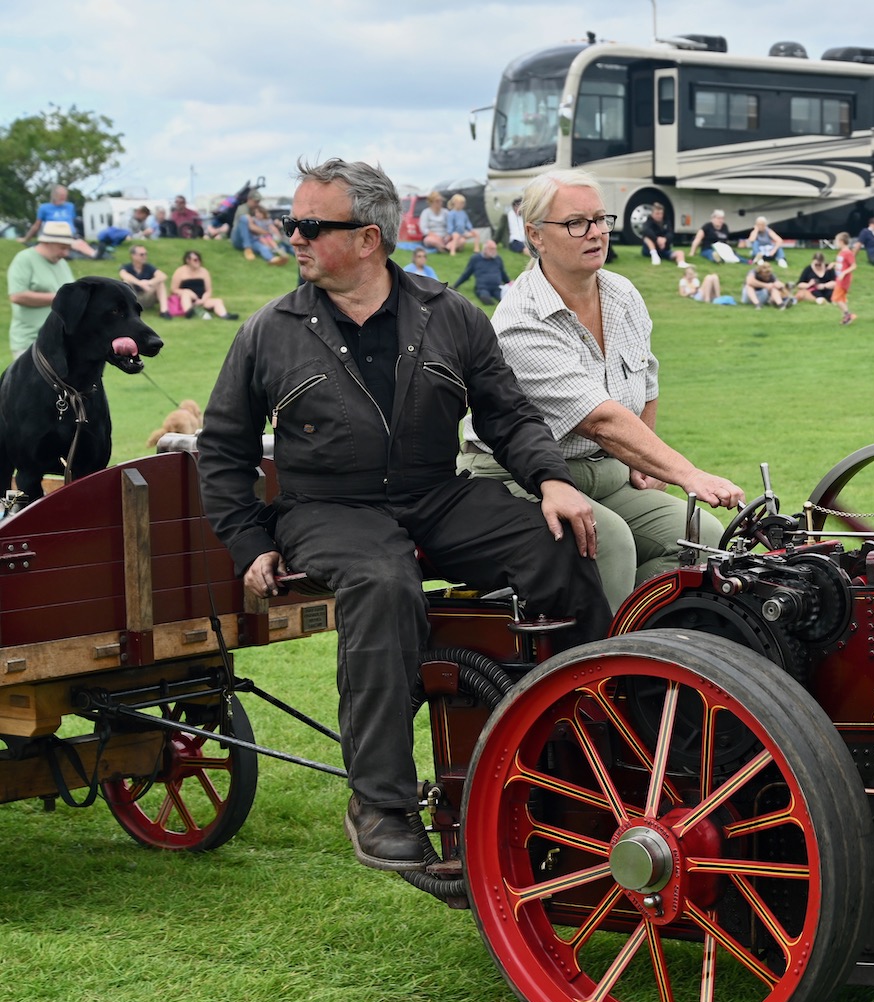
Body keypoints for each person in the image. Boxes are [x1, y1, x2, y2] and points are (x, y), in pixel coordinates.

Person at [199, 157, 609, 873]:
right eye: (291, 223)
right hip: (327, 509)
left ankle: (590, 757)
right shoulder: (270, 330)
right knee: (383, 582)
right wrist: (248, 543)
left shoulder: (450, 314)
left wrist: (551, 480)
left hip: (435, 494)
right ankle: (380, 803)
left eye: (309, 226)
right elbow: (223, 449)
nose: (293, 237)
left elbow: (508, 415)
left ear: (368, 238)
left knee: (556, 547)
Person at [483, 168, 743, 609]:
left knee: (702, 537)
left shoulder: (622, 294)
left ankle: (650, 638)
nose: (596, 233)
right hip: (524, 477)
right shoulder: (521, 319)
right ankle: (601, 650)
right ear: (535, 235)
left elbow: (647, 380)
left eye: (601, 219)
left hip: (605, 473)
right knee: (612, 543)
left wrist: (647, 464)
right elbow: (600, 421)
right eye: (575, 223)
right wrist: (688, 475)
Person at [6, 219, 76, 358]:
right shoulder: (24, 259)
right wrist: (61, 298)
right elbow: (17, 296)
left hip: (62, 342)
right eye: (62, 247)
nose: (66, 253)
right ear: (46, 242)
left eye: (68, 248)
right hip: (31, 343)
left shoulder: (62, 263)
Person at [29, 185, 98, 259]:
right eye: (61, 195)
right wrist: (26, 238)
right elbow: (37, 225)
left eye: (65, 195)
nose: (63, 198)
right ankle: (94, 254)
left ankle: (93, 253)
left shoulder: (70, 206)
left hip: (70, 234)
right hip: (54, 234)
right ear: (54, 195)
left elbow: (73, 221)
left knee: (79, 242)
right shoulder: (44, 208)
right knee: (77, 243)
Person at [169, 249, 238, 319]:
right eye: (195, 260)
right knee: (186, 293)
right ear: (188, 260)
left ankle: (225, 315)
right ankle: (188, 312)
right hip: (185, 298)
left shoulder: (204, 272)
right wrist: (188, 292)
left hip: (201, 298)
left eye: (199, 260)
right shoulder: (180, 271)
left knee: (218, 301)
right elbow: (174, 289)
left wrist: (202, 300)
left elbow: (209, 290)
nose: (198, 262)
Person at [449, 238, 512, 304]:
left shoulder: (498, 259)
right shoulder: (475, 259)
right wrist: (455, 285)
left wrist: (509, 283)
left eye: (495, 249)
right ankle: (488, 300)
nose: (494, 251)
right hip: (483, 287)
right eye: (492, 249)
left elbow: (503, 273)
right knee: (485, 297)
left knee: (504, 299)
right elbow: (466, 274)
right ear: (485, 249)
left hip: (497, 286)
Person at [118, 243, 171, 316]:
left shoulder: (148, 267)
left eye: (146, 254)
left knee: (160, 283)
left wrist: (149, 282)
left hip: (147, 296)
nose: (144, 257)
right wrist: (140, 283)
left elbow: (163, 276)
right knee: (126, 282)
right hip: (133, 297)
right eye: (142, 255)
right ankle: (129, 309)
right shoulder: (127, 267)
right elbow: (123, 274)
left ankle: (164, 311)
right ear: (133, 256)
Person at [830, 230, 857, 325]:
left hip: (843, 280)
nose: (836, 243)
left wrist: (843, 273)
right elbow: (842, 264)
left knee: (836, 298)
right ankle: (846, 317)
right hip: (839, 279)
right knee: (841, 299)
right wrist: (834, 264)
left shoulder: (848, 253)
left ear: (841, 241)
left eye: (836, 241)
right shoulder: (841, 252)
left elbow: (853, 266)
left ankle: (848, 315)